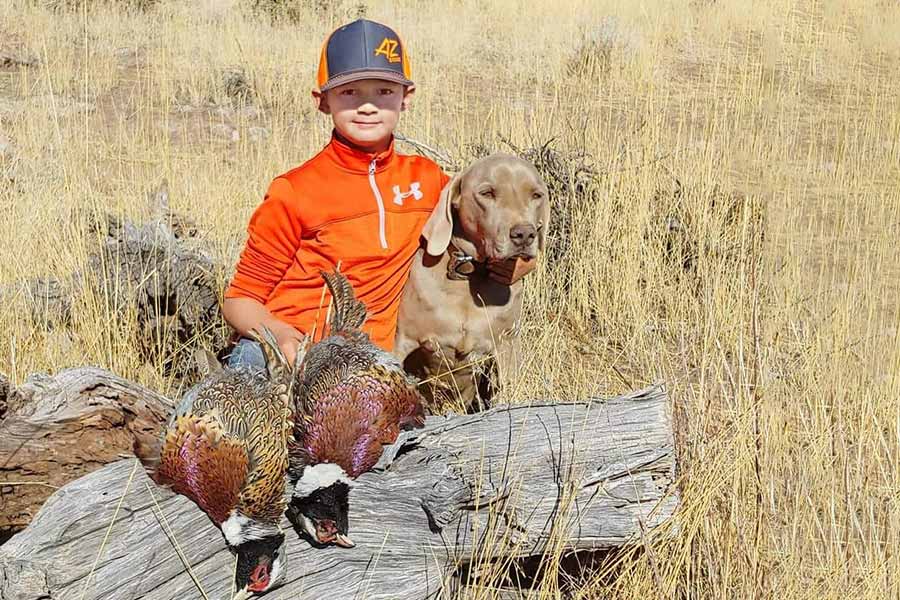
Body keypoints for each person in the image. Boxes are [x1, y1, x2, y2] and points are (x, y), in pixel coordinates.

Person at [222, 18, 450, 368]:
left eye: (384, 91)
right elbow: (240, 300)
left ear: (407, 97)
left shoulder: (428, 180)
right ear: (322, 100)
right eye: (349, 92)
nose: (368, 105)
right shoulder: (295, 190)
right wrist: (280, 336)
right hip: (283, 352)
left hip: (368, 362)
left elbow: (488, 230)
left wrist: (516, 266)